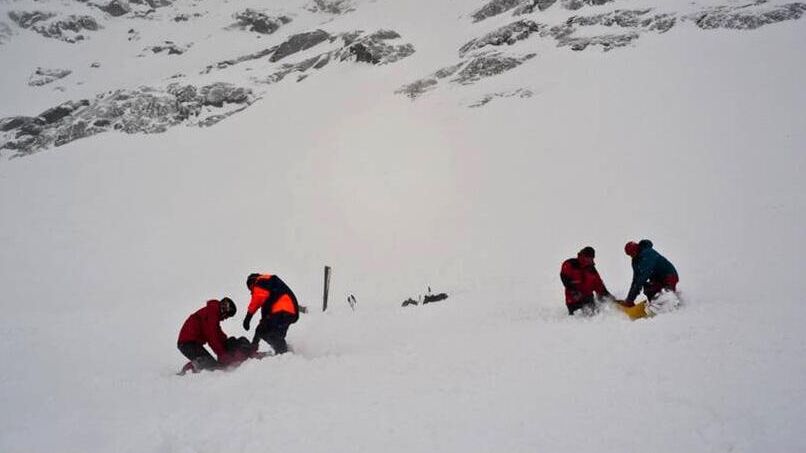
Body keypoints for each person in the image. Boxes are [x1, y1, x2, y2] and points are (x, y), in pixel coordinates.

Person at [177, 297, 241, 373]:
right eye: (227, 316)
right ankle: (188, 370)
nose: (226, 318)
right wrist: (222, 355)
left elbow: (217, 333)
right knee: (211, 366)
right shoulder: (211, 314)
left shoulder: (213, 314)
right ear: (224, 310)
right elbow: (212, 337)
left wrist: (227, 343)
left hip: (192, 343)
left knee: (213, 365)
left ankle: (196, 367)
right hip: (187, 343)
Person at [242, 273, 300, 355]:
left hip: (283, 310)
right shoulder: (268, 287)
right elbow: (265, 317)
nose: (252, 292)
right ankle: (284, 353)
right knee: (267, 331)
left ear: (252, 283)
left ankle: (283, 353)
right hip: (286, 311)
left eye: (251, 289)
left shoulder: (260, 281)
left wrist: (248, 317)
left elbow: (256, 300)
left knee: (270, 333)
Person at [623, 239, 679, 307]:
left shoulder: (648, 254)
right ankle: (655, 305)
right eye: (630, 254)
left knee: (666, 293)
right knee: (648, 289)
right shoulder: (636, 261)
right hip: (658, 279)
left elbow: (642, 277)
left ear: (636, 249)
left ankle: (674, 305)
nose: (632, 255)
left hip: (669, 276)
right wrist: (630, 299)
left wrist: (630, 300)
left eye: (633, 253)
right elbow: (635, 281)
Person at [560, 246, 613, 315]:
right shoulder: (571, 264)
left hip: (588, 299)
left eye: (592, 258)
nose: (590, 259)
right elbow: (564, 277)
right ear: (583, 256)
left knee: (594, 315)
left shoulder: (592, 270)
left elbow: (599, 285)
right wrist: (573, 291)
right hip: (573, 300)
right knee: (578, 319)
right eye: (588, 257)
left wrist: (609, 297)